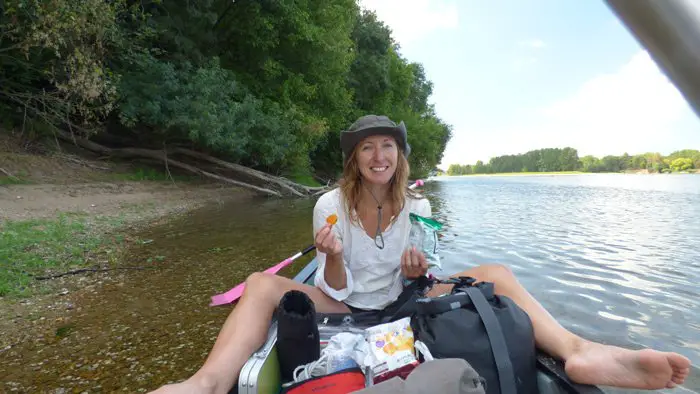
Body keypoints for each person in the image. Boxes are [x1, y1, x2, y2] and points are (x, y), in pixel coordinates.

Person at [151, 115, 691, 394]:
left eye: (388, 145)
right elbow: (334, 288)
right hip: (345, 305)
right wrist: (332, 259)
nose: (379, 155)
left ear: (399, 156)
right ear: (355, 159)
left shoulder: (420, 204)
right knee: (261, 283)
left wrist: (420, 270)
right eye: (367, 147)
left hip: (405, 301)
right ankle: (208, 382)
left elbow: (424, 269)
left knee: (494, 273)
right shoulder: (328, 207)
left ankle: (578, 348)